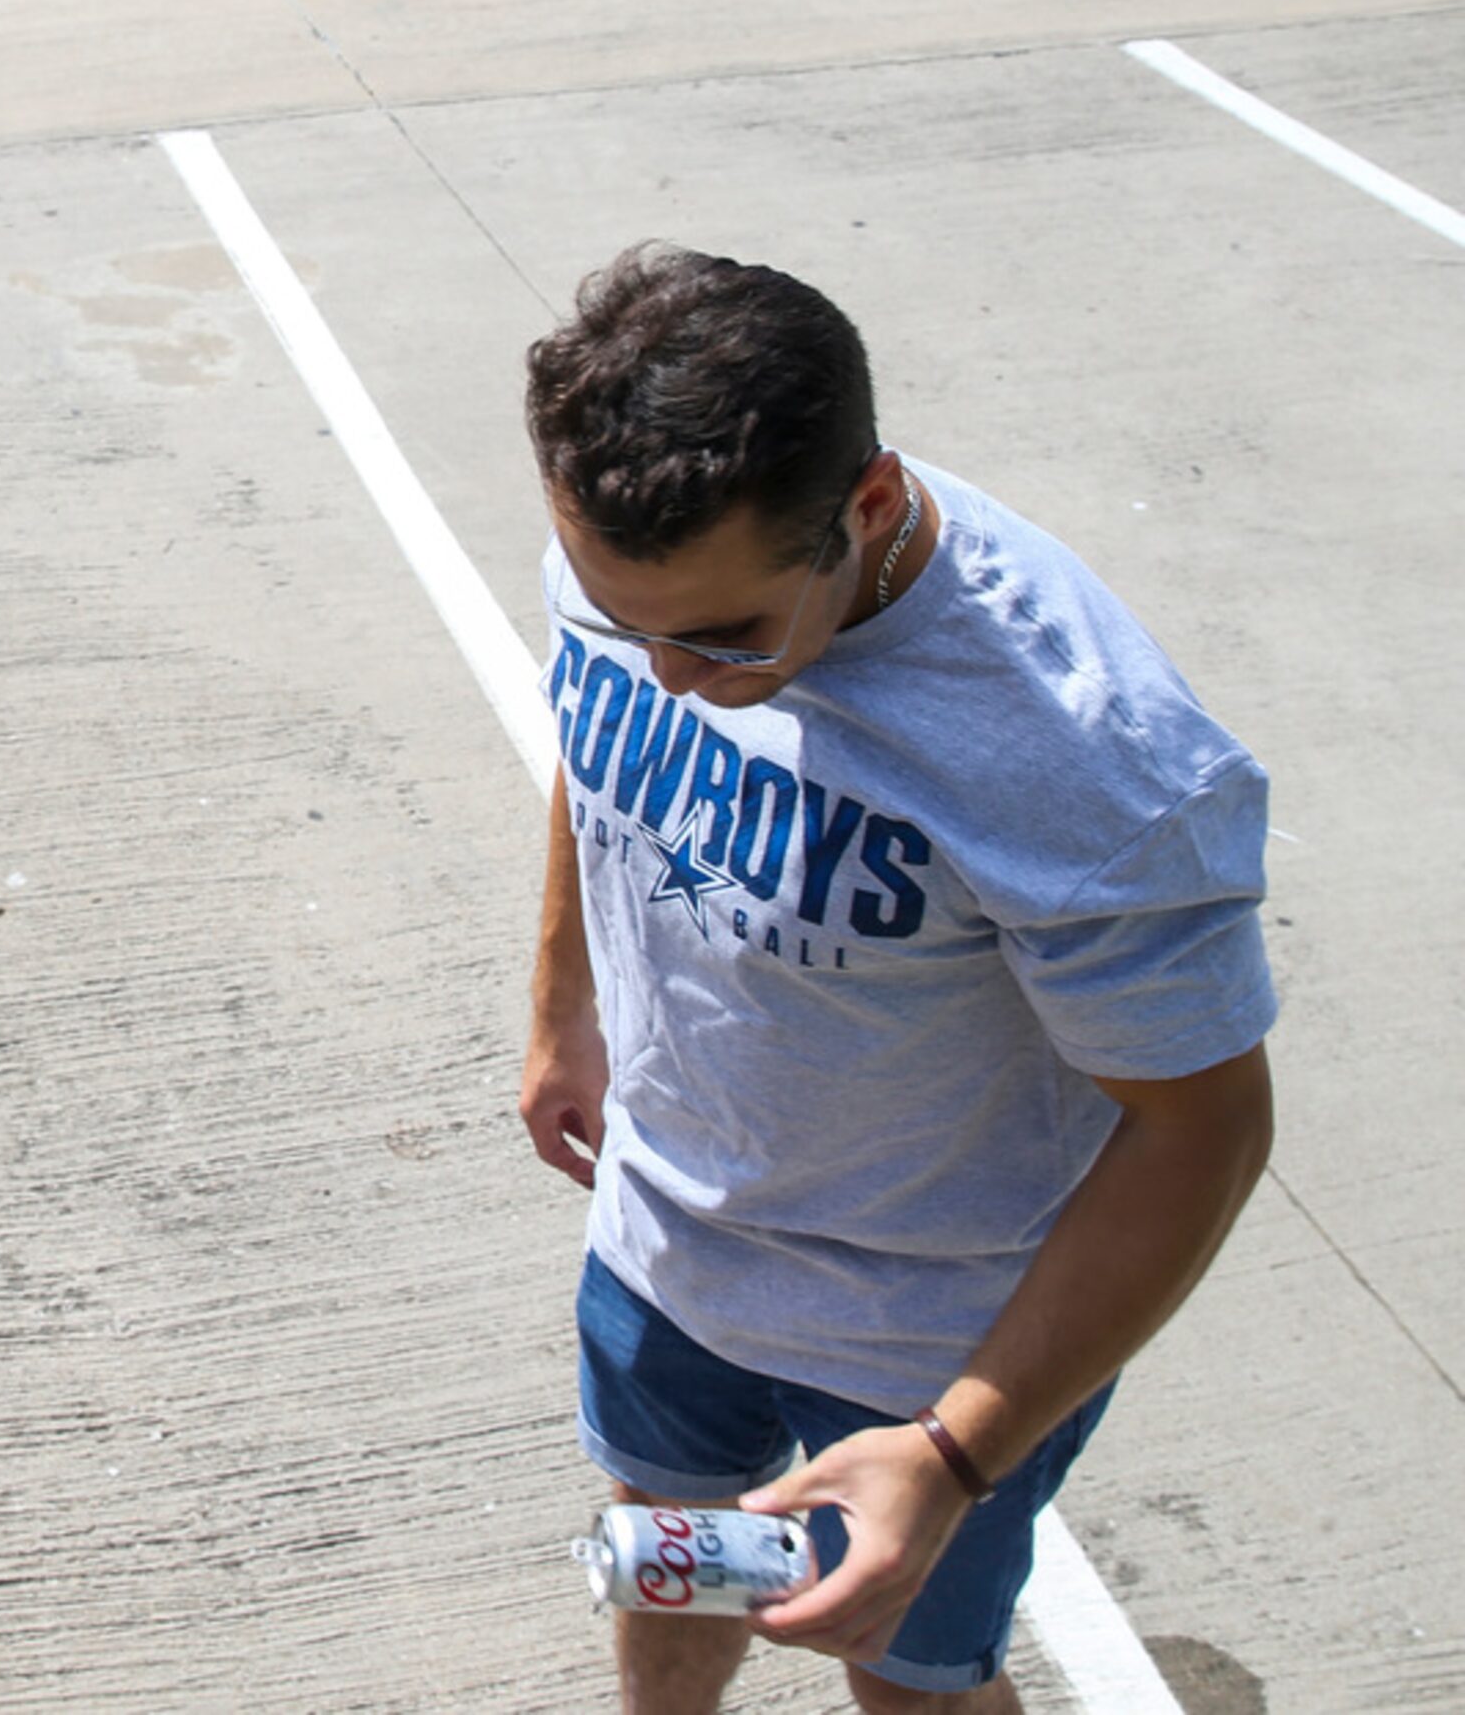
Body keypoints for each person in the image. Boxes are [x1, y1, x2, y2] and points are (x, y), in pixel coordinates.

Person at [517, 244, 1276, 1714]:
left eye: (727, 639)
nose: (672, 677)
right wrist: (565, 1001)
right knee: (672, 1566)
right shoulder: (646, 563)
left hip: (929, 1343)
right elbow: (589, 722)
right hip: (667, 1241)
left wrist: (953, 1450)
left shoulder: (1090, 764)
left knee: (909, 1680)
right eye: (634, 624)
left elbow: (1207, 1129)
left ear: (864, 508)